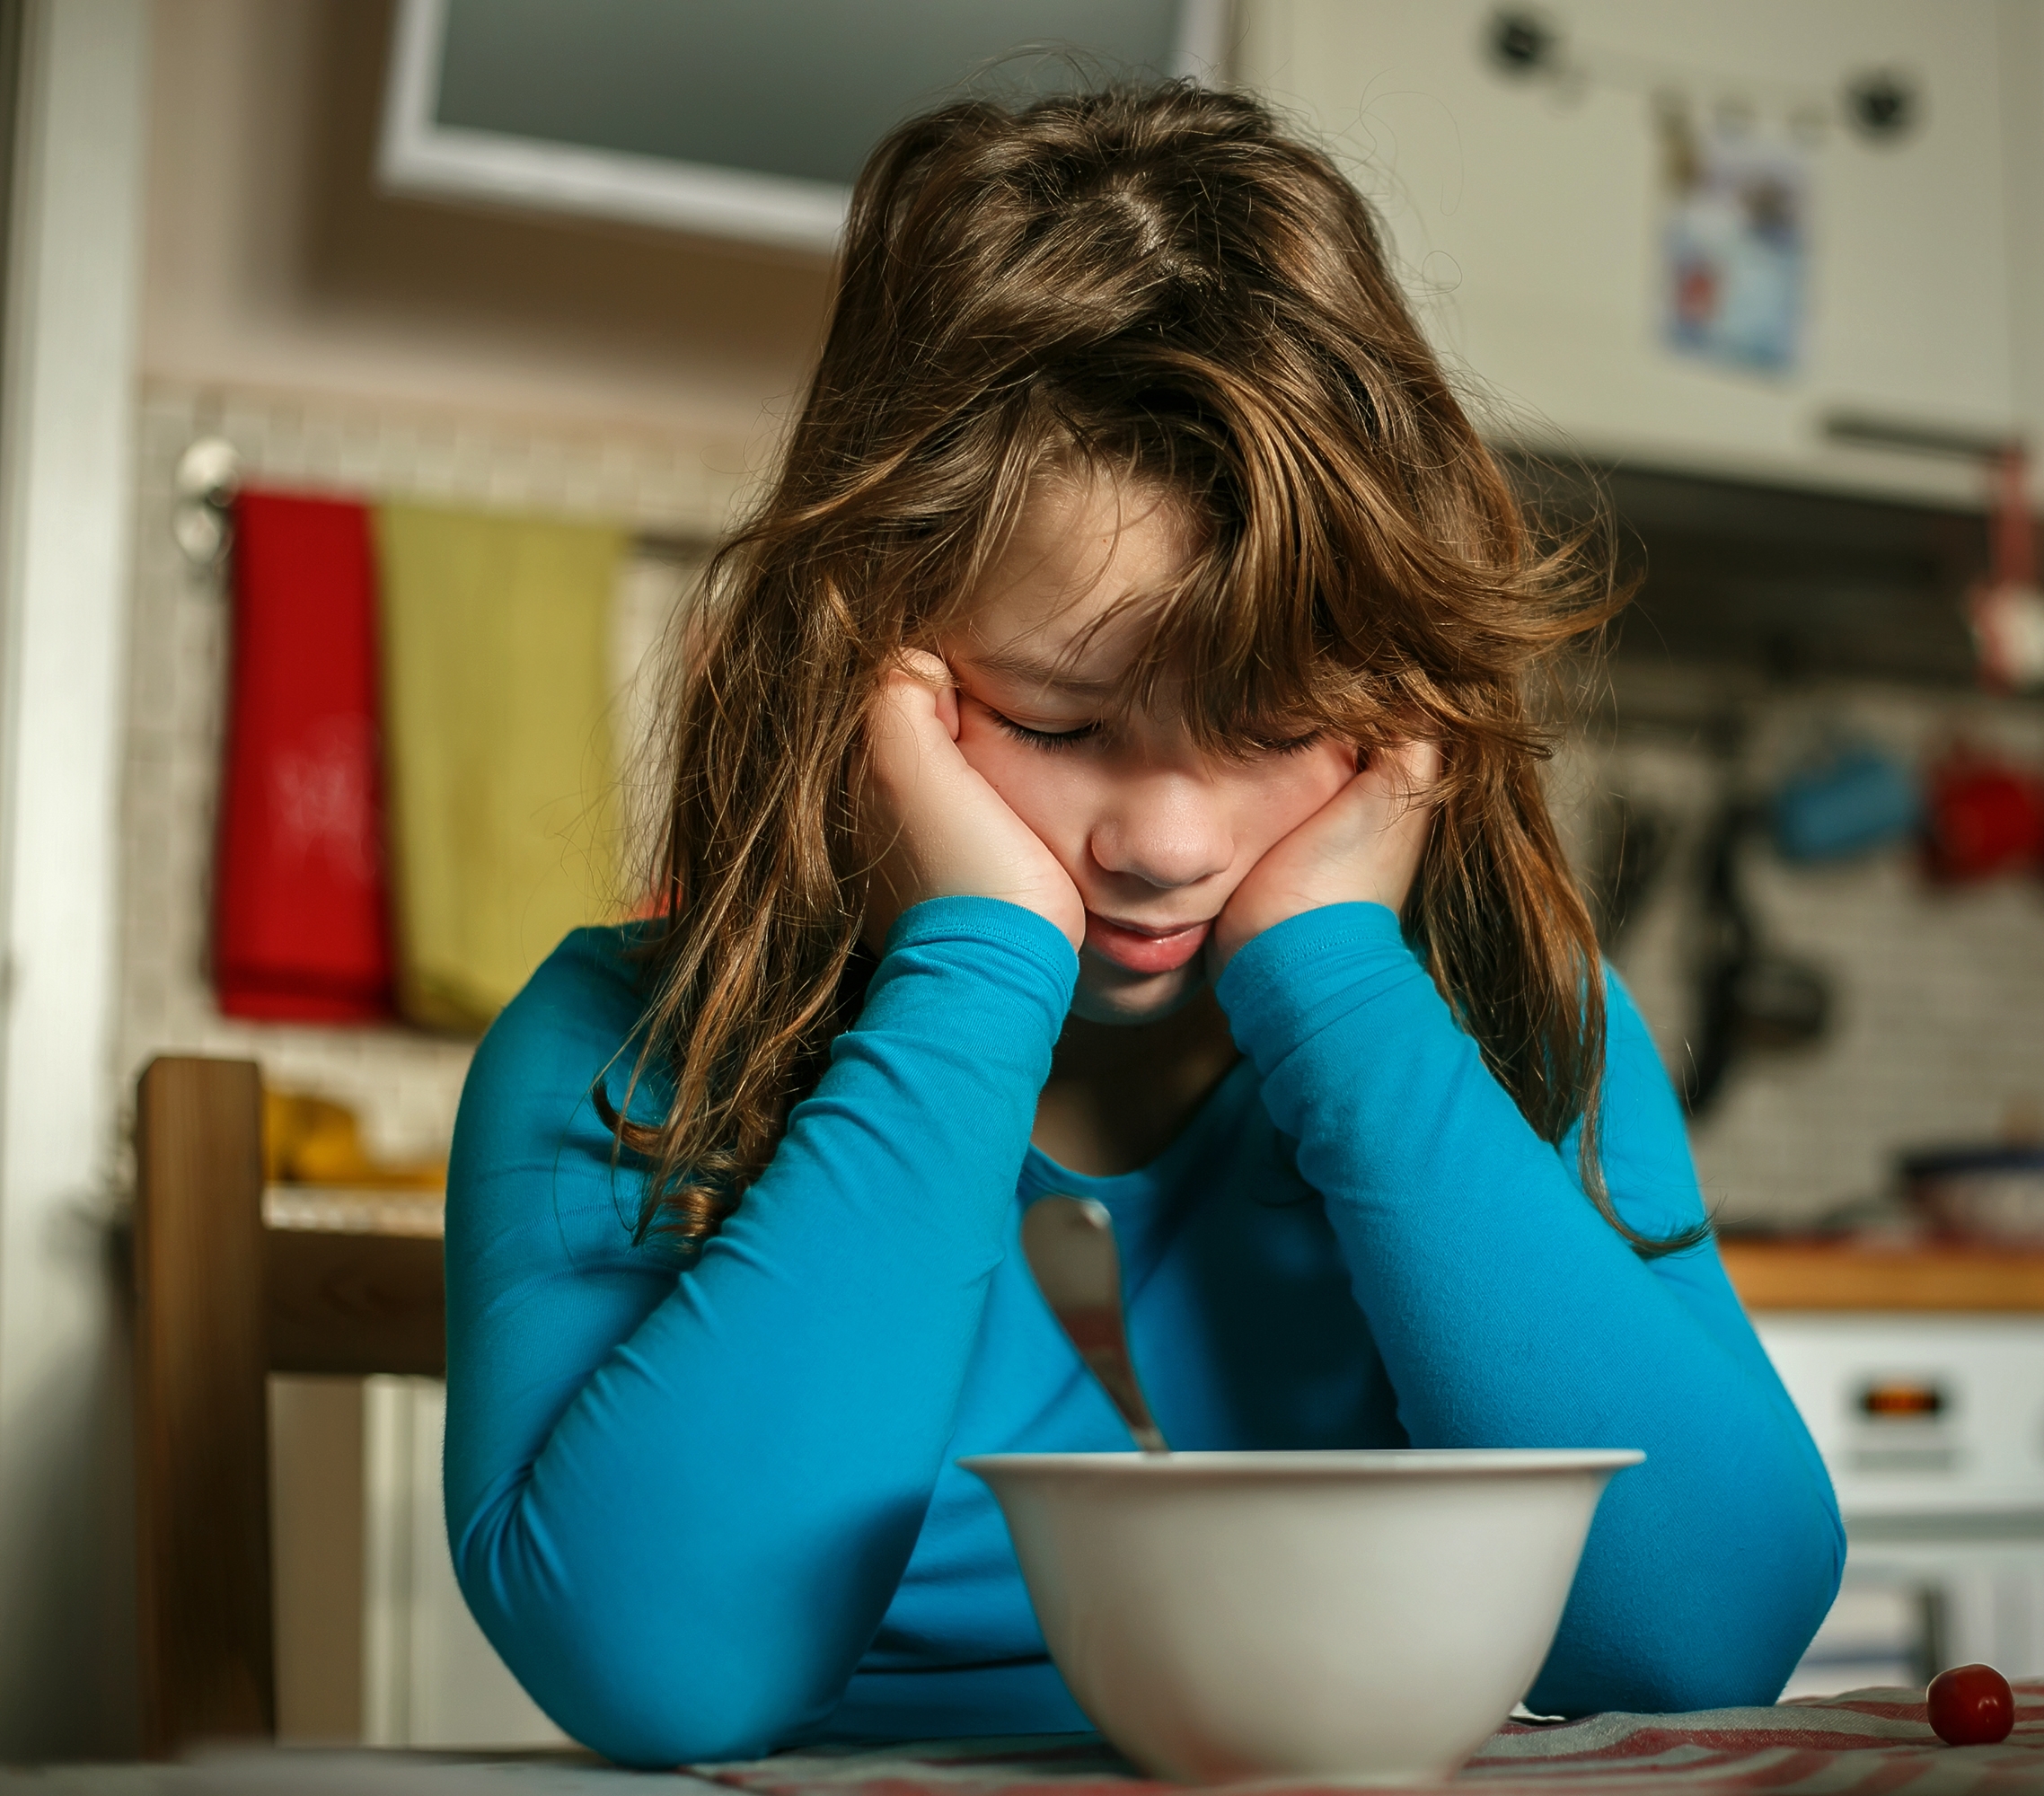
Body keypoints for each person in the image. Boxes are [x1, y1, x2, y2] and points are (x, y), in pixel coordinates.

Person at [445, 82, 1841, 1768]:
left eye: (1271, 727)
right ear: (861, 665)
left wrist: (1338, 986)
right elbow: (665, 1673)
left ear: (1401, 702)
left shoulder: (1520, 1020)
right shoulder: (615, 1056)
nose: (1168, 843)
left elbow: (1705, 1637)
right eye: (1047, 720)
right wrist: (974, 966)